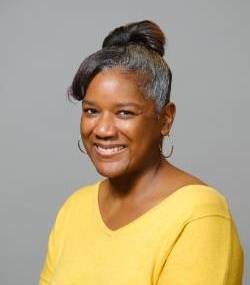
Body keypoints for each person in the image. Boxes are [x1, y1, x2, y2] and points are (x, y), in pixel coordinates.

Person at [39, 20, 244, 285]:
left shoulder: (200, 215)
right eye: (91, 110)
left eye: (125, 113)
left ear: (165, 119)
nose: (102, 129)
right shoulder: (74, 209)